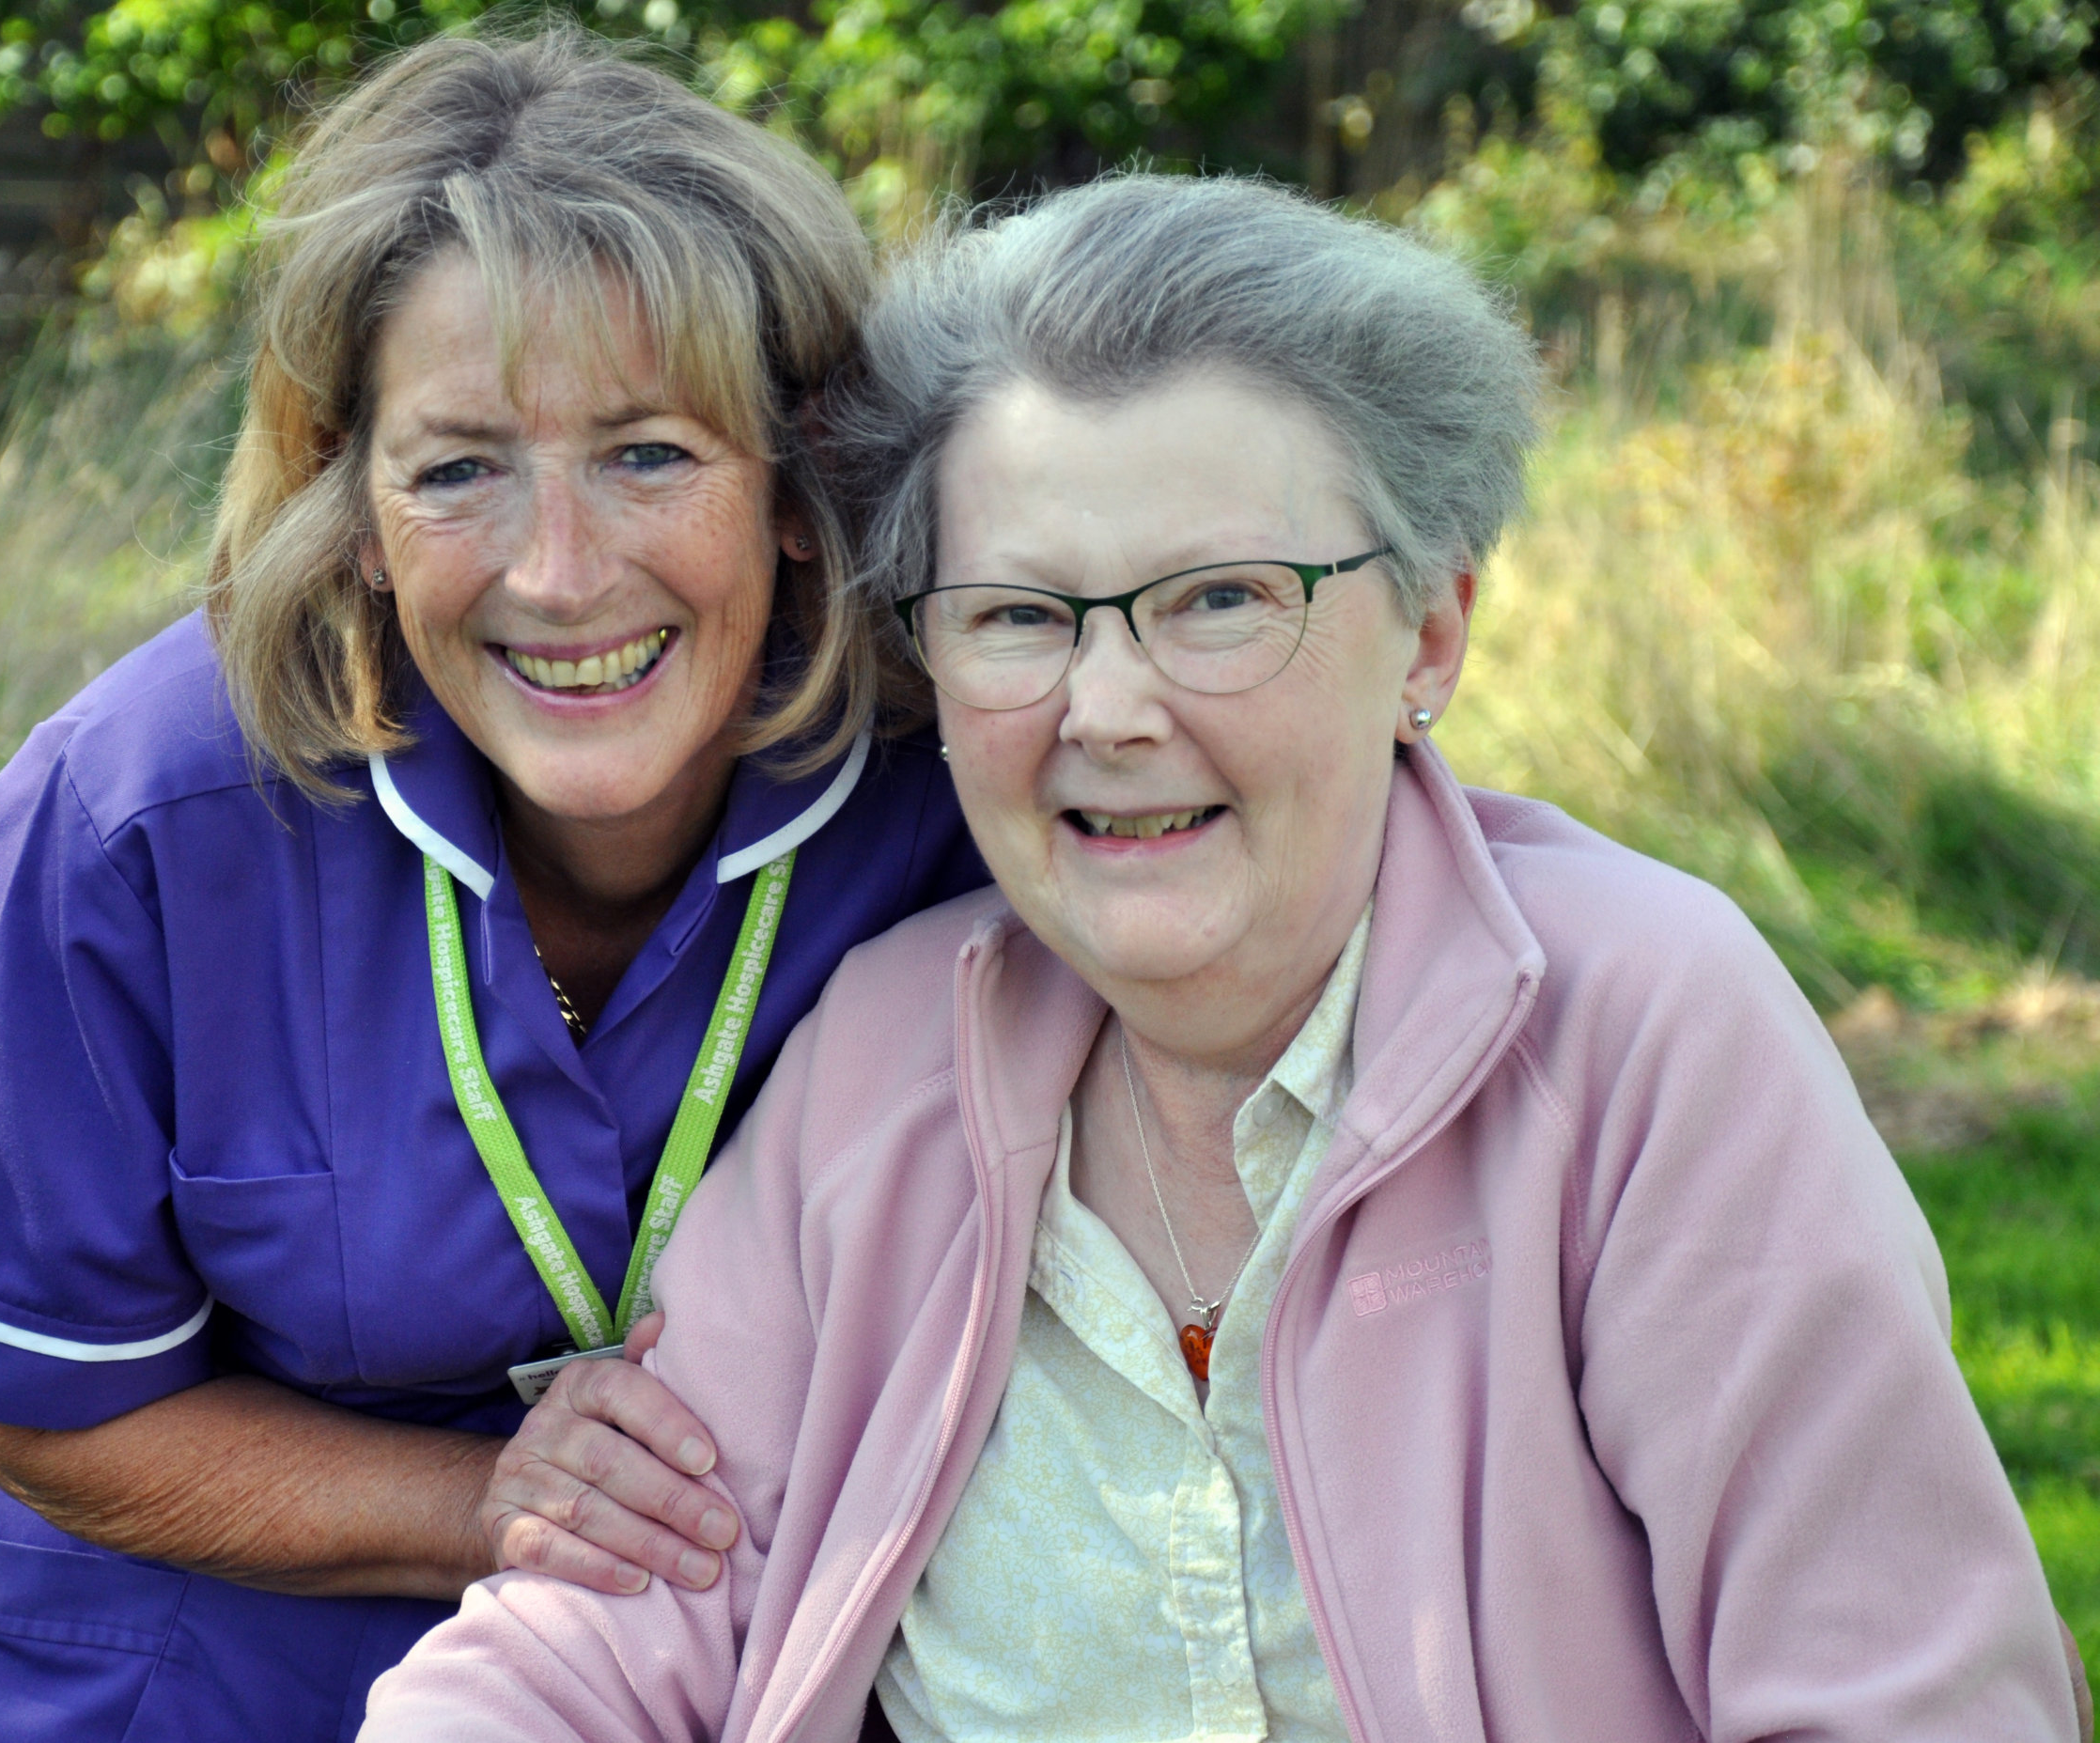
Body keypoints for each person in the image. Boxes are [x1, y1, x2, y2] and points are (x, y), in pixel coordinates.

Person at [361, 173, 2090, 1741]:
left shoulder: (1640, 1033)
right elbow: (592, 1642)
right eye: (1023, 617)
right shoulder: (881, 1057)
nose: (1111, 711)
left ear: (1430, 632)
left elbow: (1911, 1704)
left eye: (1220, 601)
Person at [0, 29, 985, 1743]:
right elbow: (44, 1417)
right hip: (127, 1674)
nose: (559, 573)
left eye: (651, 452)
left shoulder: (941, 787)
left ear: (800, 483)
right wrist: (488, 1499)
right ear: (351, 505)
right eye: (458, 468)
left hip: (642, 1669)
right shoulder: (141, 813)